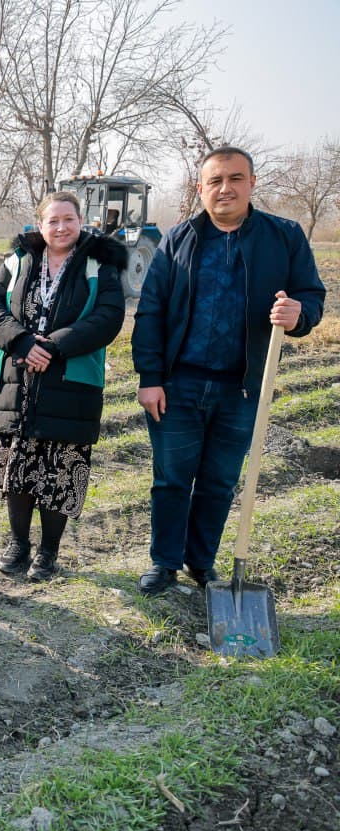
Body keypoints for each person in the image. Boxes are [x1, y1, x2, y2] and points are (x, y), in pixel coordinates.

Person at [133, 146, 326, 595]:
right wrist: (150, 378)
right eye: (215, 181)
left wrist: (299, 314)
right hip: (177, 385)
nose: (225, 189)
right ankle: (164, 563)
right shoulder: (178, 239)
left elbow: (312, 296)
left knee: (219, 481)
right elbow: (151, 312)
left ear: (252, 183)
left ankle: (201, 563)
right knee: (171, 478)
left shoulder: (284, 237)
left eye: (235, 179)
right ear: (201, 189)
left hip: (241, 389)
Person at [0, 191, 126, 581]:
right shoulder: (19, 260)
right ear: (40, 225)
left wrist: (53, 347)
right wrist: (21, 341)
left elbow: (109, 317)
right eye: (53, 221)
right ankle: (18, 544)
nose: (61, 228)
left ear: (81, 222)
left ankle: (48, 552)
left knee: (60, 470)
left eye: (69, 220)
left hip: (70, 380)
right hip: (17, 379)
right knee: (18, 468)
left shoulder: (99, 264)